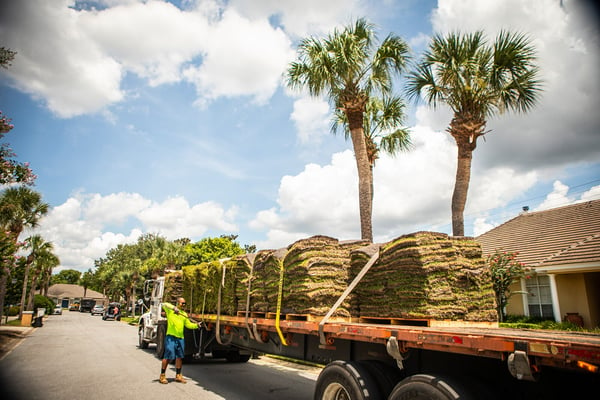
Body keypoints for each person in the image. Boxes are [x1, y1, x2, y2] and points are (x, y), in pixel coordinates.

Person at [159, 297, 200, 384]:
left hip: (180, 338)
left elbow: (188, 325)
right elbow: (163, 304)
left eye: (184, 303)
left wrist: (197, 325)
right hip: (171, 336)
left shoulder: (184, 314)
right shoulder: (170, 311)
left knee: (180, 356)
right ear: (177, 303)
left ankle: (178, 375)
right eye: (182, 303)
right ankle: (162, 375)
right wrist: (174, 308)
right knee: (168, 356)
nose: (183, 305)